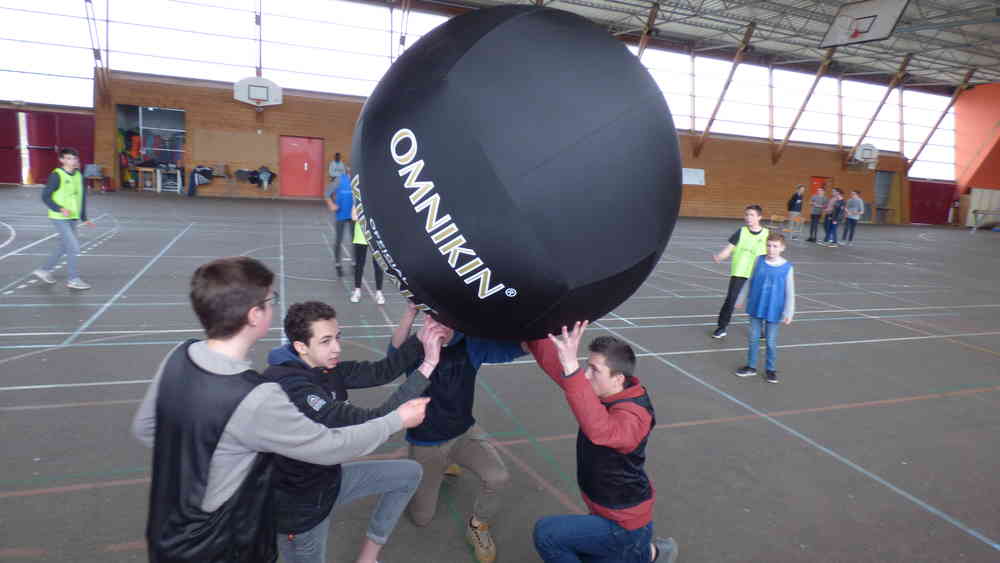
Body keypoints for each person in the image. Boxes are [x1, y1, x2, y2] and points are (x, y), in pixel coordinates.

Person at [131, 256, 429, 562]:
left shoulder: (179, 355)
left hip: (168, 529)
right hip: (221, 539)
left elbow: (146, 429)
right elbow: (329, 447)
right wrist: (396, 420)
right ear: (254, 315)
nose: (272, 306)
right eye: (269, 300)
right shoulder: (257, 396)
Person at [263, 301, 450, 563]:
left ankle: (367, 558)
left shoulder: (323, 367)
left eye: (337, 337)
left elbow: (381, 371)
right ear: (301, 347)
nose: (337, 348)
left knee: (409, 474)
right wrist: (428, 364)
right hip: (300, 508)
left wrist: (422, 336)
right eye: (326, 341)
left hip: (328, 479)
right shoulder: (292, 387)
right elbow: (372, 421)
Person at [526, 324, 678, 563]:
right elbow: (566, 375)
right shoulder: (607, 391)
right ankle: (651, 553)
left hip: (624, 523)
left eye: (594, 370)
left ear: (618, 379)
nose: (586, 375)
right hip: (606, 508)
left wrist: (572, 369)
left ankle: (644, 552)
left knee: (548, 535)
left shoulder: (636, 415)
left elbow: (602, 430)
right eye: (586, 367)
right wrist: (532, 331)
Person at [392, 310, 526, 563]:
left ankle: (478, 525)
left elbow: (518, 347)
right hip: (426, 444)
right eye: (433, 318)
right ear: (426, 320)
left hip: (463, 434)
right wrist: (409, 313)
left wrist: (541, 326)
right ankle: (427, 464)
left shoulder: (471, 344)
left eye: (447, 320)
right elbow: (393, 356)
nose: (440, 325)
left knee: (498, 477)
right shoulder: (416, 346)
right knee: (421, 518)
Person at [735, 232, 795, 383]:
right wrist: (741, 298)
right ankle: (751, 367)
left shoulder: (787, 268)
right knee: (753, 338)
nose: (771, 249)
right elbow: (750, 280)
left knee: (770, 341)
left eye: (775, 246)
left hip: (774, 309)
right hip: (756, 305)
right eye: (768, 245)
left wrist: (789, 312)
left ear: (782, 248)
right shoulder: (759, 260)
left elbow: (790, 292)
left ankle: (770, 369)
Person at [32, 147, 94, 290]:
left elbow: (81, 197)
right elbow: (45, 196)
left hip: (73, 217)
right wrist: (59, 208)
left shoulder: (79, 176)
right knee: (73, 246)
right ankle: (73, 279)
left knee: (64, 246)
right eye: (69, 158)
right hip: (59, 217)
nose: (73, 161)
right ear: (62, 160)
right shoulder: (57, 175)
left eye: (74, 158)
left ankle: (44, 270)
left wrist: (84, 217)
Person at [711, 205, 769, 339]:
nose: (748, 217)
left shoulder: (767, 234)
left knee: (758, 302)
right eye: (746, 215)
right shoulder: (741, 232)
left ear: (759, 217)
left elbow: (771, 252)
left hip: (758, 274)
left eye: (752, 215)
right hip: (739, 273)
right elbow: (729, 248)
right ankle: (721, 327)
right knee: (730, 300)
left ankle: (759, 329)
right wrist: (720, 256)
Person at [350, 205, 385, 304]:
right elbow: (353, 217)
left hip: (374, 238)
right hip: (360, 237)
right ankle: (357, 291)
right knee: (359, 265)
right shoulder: (358, 201)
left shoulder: (375, 202)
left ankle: (379, 292)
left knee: (378, 265)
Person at [325, 174, 353, 277]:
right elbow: (327, 193)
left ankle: (354, 263)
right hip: (341, 214)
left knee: (355, 241)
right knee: (338, 240)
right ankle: (338, 264)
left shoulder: (358, 179)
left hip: (354, 215)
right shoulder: (339, 180)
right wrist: (331, 205)